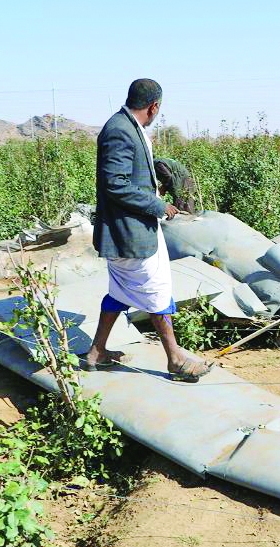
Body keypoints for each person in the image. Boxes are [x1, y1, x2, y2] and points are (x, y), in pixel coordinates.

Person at [87, 78, 211, 381]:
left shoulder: (127, 126)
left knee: (119, 290)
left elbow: (127, 178)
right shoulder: (120, 130)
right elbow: (115, 184)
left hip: (128, 230)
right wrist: (158, 205)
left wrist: (153, 187)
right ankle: (175, 359)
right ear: (154, 106)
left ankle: (97, 352)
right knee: (156, 291)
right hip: (129, 233)